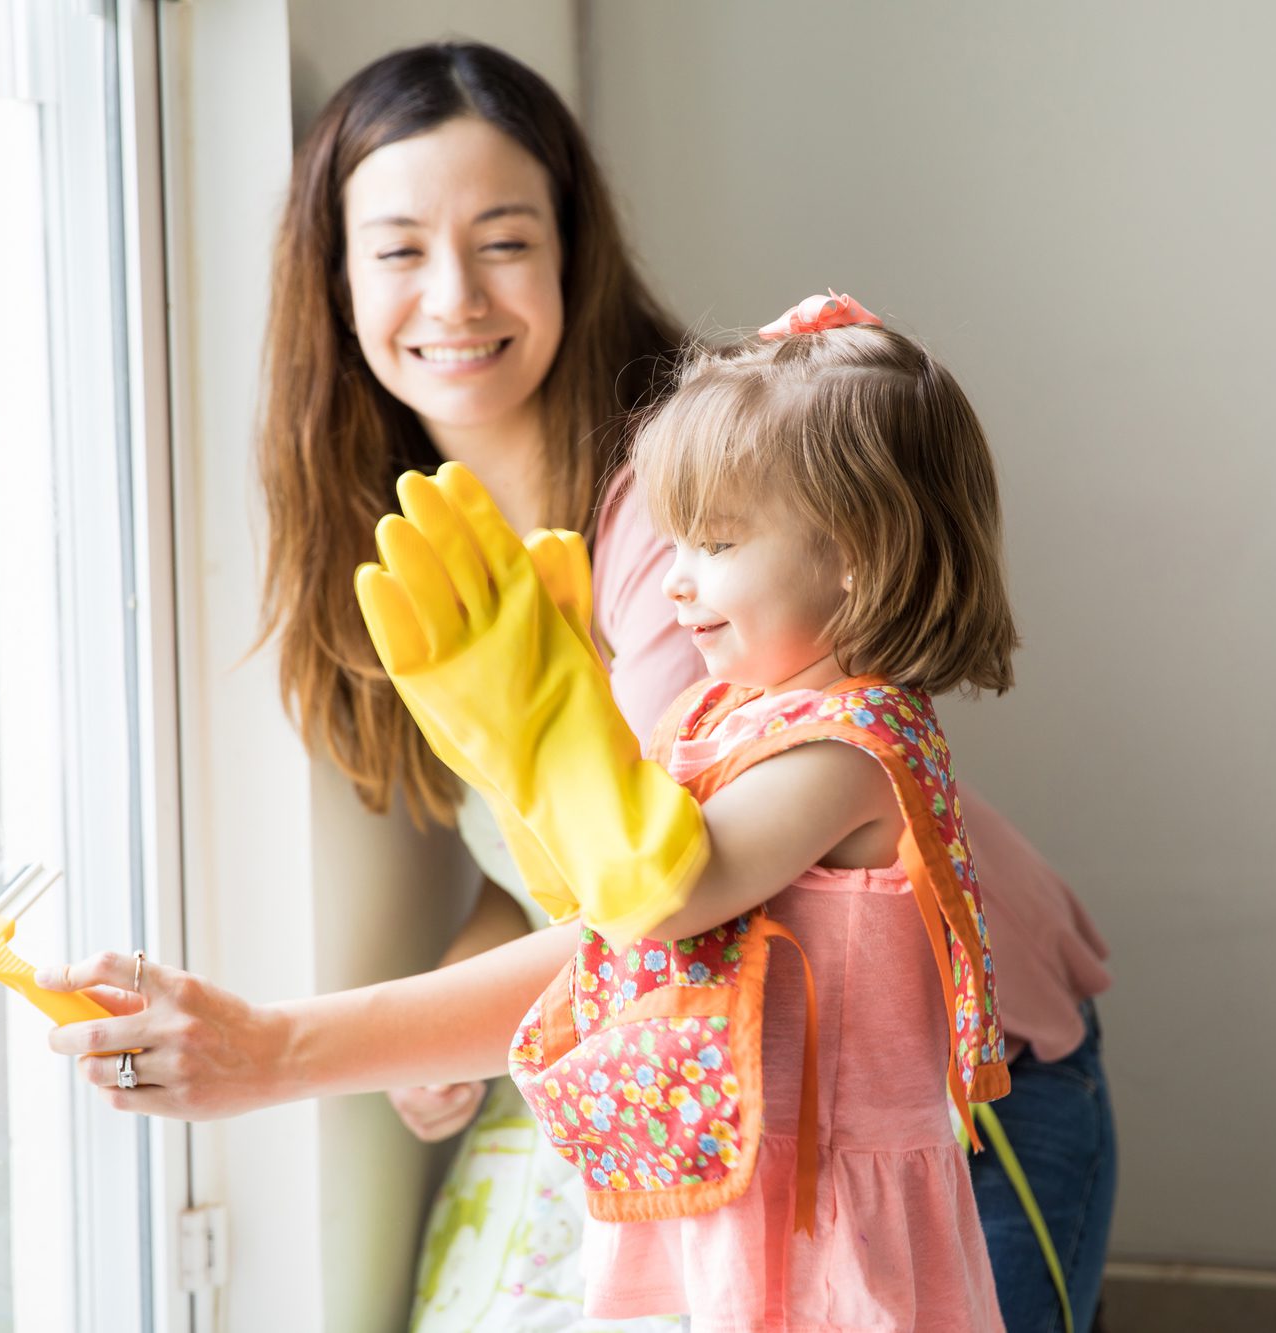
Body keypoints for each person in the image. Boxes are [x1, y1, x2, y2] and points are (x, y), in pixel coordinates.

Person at [37, 42, 1113, 1333]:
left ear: (570, 252)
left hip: (936, 1094)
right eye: (395, 249)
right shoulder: (414, 532)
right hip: (758, 1063)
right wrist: (473, 946)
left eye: (503, 240)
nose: (452, 295)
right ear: (329, 279)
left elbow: (667, 901)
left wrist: (278, 1048)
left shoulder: (674, 527)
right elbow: (557, 863)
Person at [351, 295, 1022, 1328]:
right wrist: (507, 747)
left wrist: (550, 718)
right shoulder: (724, 713)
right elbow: (593, 894)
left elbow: (674, 893)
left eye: (709, 542)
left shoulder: (854, 748)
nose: (673, 584)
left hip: (829, 1226)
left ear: (853, 551)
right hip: (745, 1190)